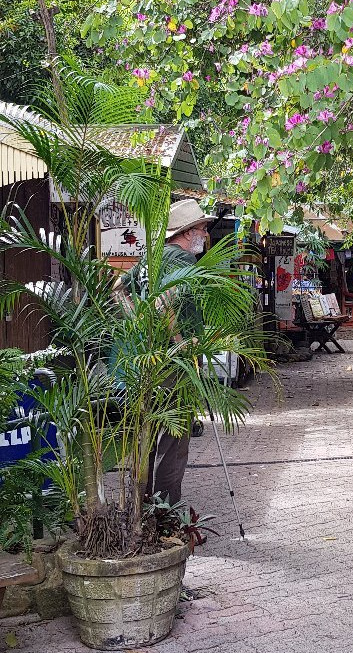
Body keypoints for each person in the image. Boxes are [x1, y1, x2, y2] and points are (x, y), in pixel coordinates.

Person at [115, 199, 216, 505]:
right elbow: (167, 303)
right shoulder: (181, 262)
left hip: (145, 361)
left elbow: (117, 289)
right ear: (186, 233)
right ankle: (165, 513)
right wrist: (179, 341)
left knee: (147, 433)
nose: (205, 235)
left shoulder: (152, 259)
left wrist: (136, 322)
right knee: (174, 440)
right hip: (173, 364)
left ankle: (140, 510)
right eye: (202, 228)